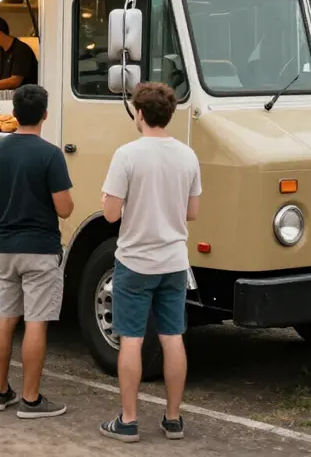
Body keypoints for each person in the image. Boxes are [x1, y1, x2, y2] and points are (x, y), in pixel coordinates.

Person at [99, 82, 201, 443]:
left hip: (135, 261)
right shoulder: (187, 156)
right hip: (174, 261)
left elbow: (110, 214)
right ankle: (173, 419)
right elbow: (192, 212)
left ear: (139, 114)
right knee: (173, 338)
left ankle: (128, 420)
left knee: (131, 339)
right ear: (168, 114)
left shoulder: (127, 155)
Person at [0, 84, 73, 419]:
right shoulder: (50, 154)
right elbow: (64, 208)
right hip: (40, 247)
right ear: (45, 114)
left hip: (5, 246)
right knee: (36, 322)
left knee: (5, 317)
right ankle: (31, 400)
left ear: (13, 113)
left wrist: (4, 224)